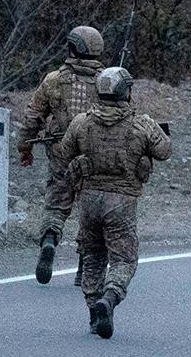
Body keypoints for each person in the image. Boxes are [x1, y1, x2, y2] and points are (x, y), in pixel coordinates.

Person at [58, 67, 171, 338]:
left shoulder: (81, 122)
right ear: (126, 92)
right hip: (121, 202)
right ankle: (110, 297)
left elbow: (63, 153)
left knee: (92, 256)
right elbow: (165, 150)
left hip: (89, 200)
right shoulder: (141, 124)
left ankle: (93, 314)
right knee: (123, 259)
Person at [17, 26, 106, 284]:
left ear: (72, 48)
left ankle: (50, 239)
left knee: (56, 205)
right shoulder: (108, 80)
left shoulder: (53, 79)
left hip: (60, 153)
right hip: (94, 157)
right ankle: (84, 270)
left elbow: (33, 117)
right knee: (90, 213)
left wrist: (25, 148)